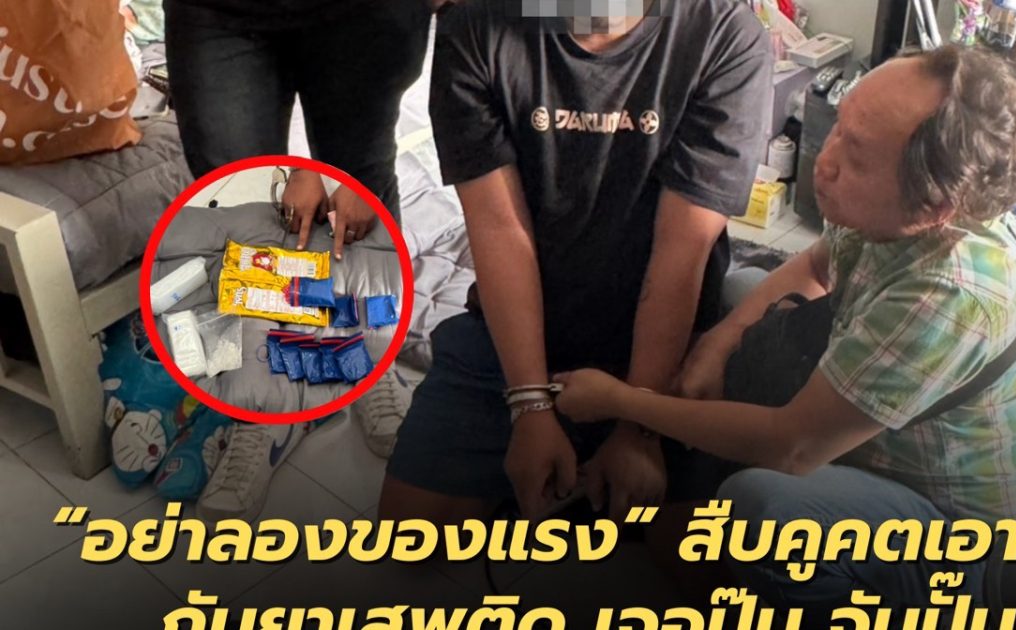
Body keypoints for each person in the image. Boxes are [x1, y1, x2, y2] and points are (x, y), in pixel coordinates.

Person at [552, 45, 1016, 608]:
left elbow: (792, 447)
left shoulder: (950, 294)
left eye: (857, 158)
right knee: (743, 293)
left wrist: (625, 402)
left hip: (955, 532)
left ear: (934, 207)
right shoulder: (891, 209)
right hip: (881, 433)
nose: (825, 160)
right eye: (840, 126)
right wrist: (718, 342)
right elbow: (818, 265)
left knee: (762, 504)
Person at [379, 0, 772, 523]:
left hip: (665, 337)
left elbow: (682, 253)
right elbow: (500, 229)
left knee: (688, 548)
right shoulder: (476, 26)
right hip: (522, 328)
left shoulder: (724, 36)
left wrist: (639, 424)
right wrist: (529, 403)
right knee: (408, 531)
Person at [164, 0, 432, 251]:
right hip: (217, 11)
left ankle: (376, 285)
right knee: (235, 194)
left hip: (362, 11)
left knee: (361, 186)